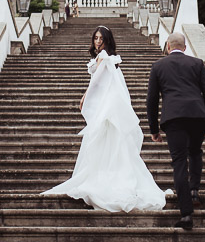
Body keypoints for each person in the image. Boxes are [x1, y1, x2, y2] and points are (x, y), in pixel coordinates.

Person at [42, 26, 167, 212]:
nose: (98, 41)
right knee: (112, 144)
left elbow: (96, 82)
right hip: (110, 105)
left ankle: (105, 180)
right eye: (96, 38)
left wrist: (84, 96)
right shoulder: (112, 60)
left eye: (101, 38)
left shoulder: (104, 58)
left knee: (103, 141)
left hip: (107, 107)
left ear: (107, 40)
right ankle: (112, 176)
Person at [146, 32, 205, 230]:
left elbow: (151, 100)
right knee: (195, 152)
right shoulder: (196, 63)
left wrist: (153, 129)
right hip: (198, 115)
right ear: (184, 47)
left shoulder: (158, 66)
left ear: (168, 47)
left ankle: (186, 214)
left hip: (174, 118)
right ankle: (194, 190)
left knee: (179, 161)